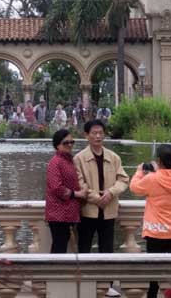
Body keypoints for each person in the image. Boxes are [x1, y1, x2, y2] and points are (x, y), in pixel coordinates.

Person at [129, 144, 171, 298]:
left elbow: (134, 188)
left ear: (158, 160)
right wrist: (159, 170)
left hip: (156, 232)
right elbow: (166, 178)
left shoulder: (152, 178)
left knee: (154, 273)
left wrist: (139, 172)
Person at [74, 119, 128, 297]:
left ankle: (108, 284)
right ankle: (84, 282)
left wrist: (111, 193)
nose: (98, 136)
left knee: (107, 249)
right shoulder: (79, 158)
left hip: (109, 211)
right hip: (88, 211)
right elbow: (79, 183)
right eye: (94, 133)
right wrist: (97, 198)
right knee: (84, 247)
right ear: (86, 136)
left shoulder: (114, 157)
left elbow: (123, 180)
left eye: (100, 132)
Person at [46, 129, 88, 253]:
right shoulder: (55, 162)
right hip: (58, 214)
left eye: (72, 142)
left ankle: (58, 270)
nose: (70, 145)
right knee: (59, 246)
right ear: (57, 145)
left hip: (68, 212)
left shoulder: (68, 160)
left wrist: (83, 188)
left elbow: (74, 182)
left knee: (62, 244)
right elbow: (57, 188)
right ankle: (55, 270)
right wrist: (78, 194)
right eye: (66, 143)